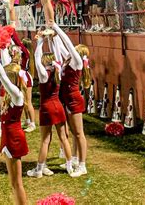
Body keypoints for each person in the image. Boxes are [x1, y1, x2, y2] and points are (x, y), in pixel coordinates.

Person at [26, 32, 75, 178]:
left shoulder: (43, 73)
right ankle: (69, 166)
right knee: (64, 138)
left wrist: (41, 41)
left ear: (44, 61)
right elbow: (66, 57)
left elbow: (35, 57)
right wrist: (52, 39)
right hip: (58, 106)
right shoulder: (59, 70)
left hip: (47, 108)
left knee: (45, 140)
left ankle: (39, 169)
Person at [52, 23, 89, 177]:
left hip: (74, 99)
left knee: (79, 133)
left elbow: (66, 42)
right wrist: (52, 36)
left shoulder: (77, 63)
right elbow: (60, 47)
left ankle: (82, 165)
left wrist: (56, 26)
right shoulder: (69, 61)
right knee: (73, 132)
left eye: (75, 49)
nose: (71, 50)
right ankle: (74, 158)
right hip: (67, 98)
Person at [0, 58, 28, 205]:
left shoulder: (17, 95)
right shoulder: (10, 95)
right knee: (13, 182)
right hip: (8, 138)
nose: (2, 81)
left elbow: (1, 75)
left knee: (17, 183)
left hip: (14, 138)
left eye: (6, 78)